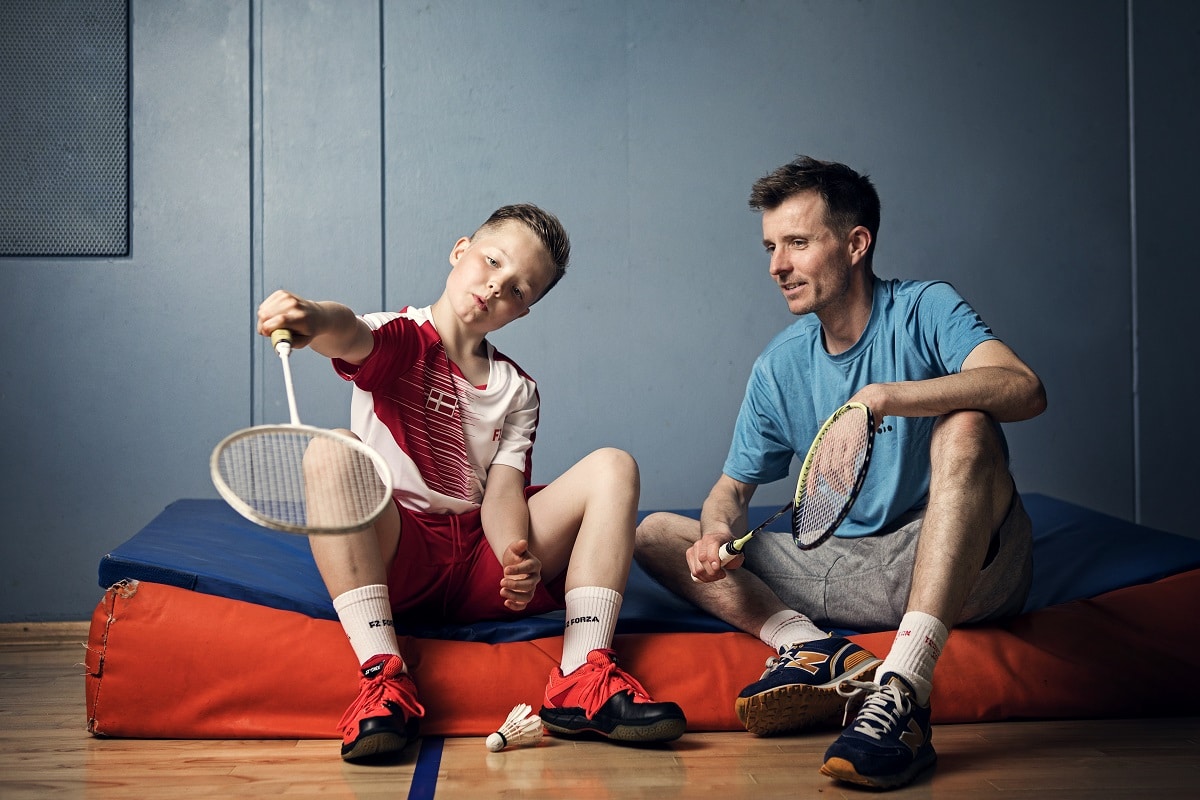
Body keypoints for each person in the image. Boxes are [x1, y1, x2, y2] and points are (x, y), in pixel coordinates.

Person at [634, 157, 1046, 790]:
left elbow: (1023, 388)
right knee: (657, 534)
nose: (776, 266)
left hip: (958, 562)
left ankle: (903, 690)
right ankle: (812, 649)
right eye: (771, 247)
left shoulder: (923, 308)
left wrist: (885, 396)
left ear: (856, 244)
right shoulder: (778, 366)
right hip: (844, 566)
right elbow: (732, 490)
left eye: (797, 243)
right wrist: (717, 532)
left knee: (968, 424)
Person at [257, 203, 685, 762]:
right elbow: (348, 330)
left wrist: (515, 553)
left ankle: (582, 677)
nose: (495, 287)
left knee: (614, 465)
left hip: (480, 564)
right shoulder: (400, 338)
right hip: (400, 553)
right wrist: (311, 316)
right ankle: (384, 679)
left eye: (517, 290)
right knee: (330, 450)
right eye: (491, 261)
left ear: (523, 312)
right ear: (460, 251)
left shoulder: (518, 390)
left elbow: (504, 488)